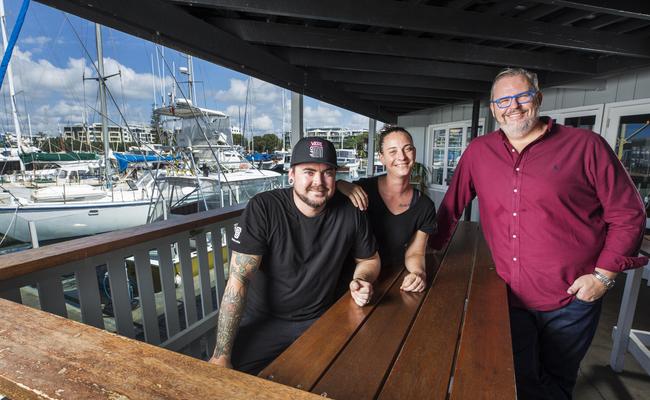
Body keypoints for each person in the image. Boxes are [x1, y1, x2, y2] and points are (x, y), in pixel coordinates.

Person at [429, 67, 647, 400]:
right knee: (515, 379)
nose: (512, 106)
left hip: (572, 298)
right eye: (503, 99)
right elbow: (450, 209)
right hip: (508, 296)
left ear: (538, 99)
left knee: (559, 379)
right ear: (493, 108)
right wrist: (424, 254)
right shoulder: (478, 152)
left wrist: (602, 278)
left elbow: (629, 213)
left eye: (522, 96)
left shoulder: (587, 146)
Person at [208, 137, 380, 375]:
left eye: (327, 173)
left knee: (354, 376)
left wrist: (361, 279)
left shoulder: (351, 211)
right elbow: (239, 280)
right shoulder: (264, 208)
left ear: (335, 177)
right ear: (291, 175)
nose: (318, 182)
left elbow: (369, 260)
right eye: (308, 171)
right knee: (230, 381)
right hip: (265, 321)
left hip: (322, 319)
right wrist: (221, 354)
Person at [338, 127, 436, 292]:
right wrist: (340, 185)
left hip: (391, 278)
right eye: (393, 151)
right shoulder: (361, 189)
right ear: (381, 158)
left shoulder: (424, 206)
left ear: (414, 153)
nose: (402, 157)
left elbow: (415, 253)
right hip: (351, 279)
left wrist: (418, 273)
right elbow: (323, 197)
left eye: (407, 149)